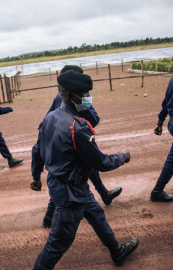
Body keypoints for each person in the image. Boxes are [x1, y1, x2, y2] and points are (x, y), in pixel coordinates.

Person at [31, 70, 139, 269]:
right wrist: (122, 156)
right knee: (57, 243)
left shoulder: (50, 118)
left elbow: (36, 149)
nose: (89, 98)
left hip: (69, 185)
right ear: (71, 95)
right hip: (70, 192)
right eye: (85, 94)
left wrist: (36, 175)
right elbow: (101, 162)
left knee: (97, 215)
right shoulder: (77, 128)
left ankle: (116, 250)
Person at [31, 65, 122, 228]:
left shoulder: (61, 99)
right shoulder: (73, 101)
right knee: (70, 175)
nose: (85, 92)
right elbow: (94, 119)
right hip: (74, 140)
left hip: (69, 140)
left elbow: (45, 122)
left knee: (82, 172)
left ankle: (103, 194)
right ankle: (49, 217)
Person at [150, 78, 173, 202]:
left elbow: (165, 102)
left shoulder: (172, 81)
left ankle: (158, 191)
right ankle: (157, 191)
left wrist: (160, 122)